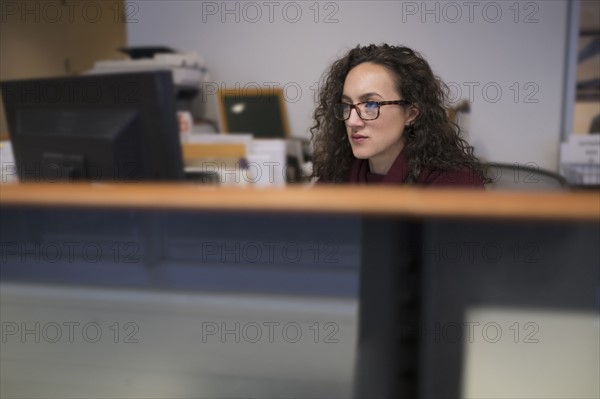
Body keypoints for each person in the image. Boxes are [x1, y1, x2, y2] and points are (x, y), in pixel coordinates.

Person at [310, 44, 488, 187]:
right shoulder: (336, 176)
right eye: (347, 105)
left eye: (370, 104)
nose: (351, 121)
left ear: (411, 114)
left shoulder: (454, 184)